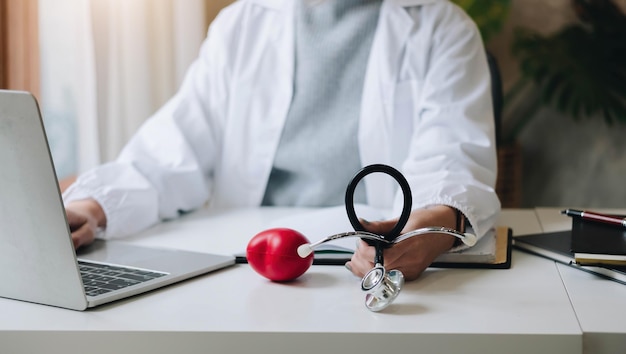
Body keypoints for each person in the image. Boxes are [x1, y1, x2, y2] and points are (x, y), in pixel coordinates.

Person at [63, 0, 501, 282]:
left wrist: (425, 230)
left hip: (368, 266)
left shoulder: (443, 28)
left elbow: (453, 157)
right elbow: (173, 148)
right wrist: (91, 209)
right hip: (254, 266)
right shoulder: (241, 24)